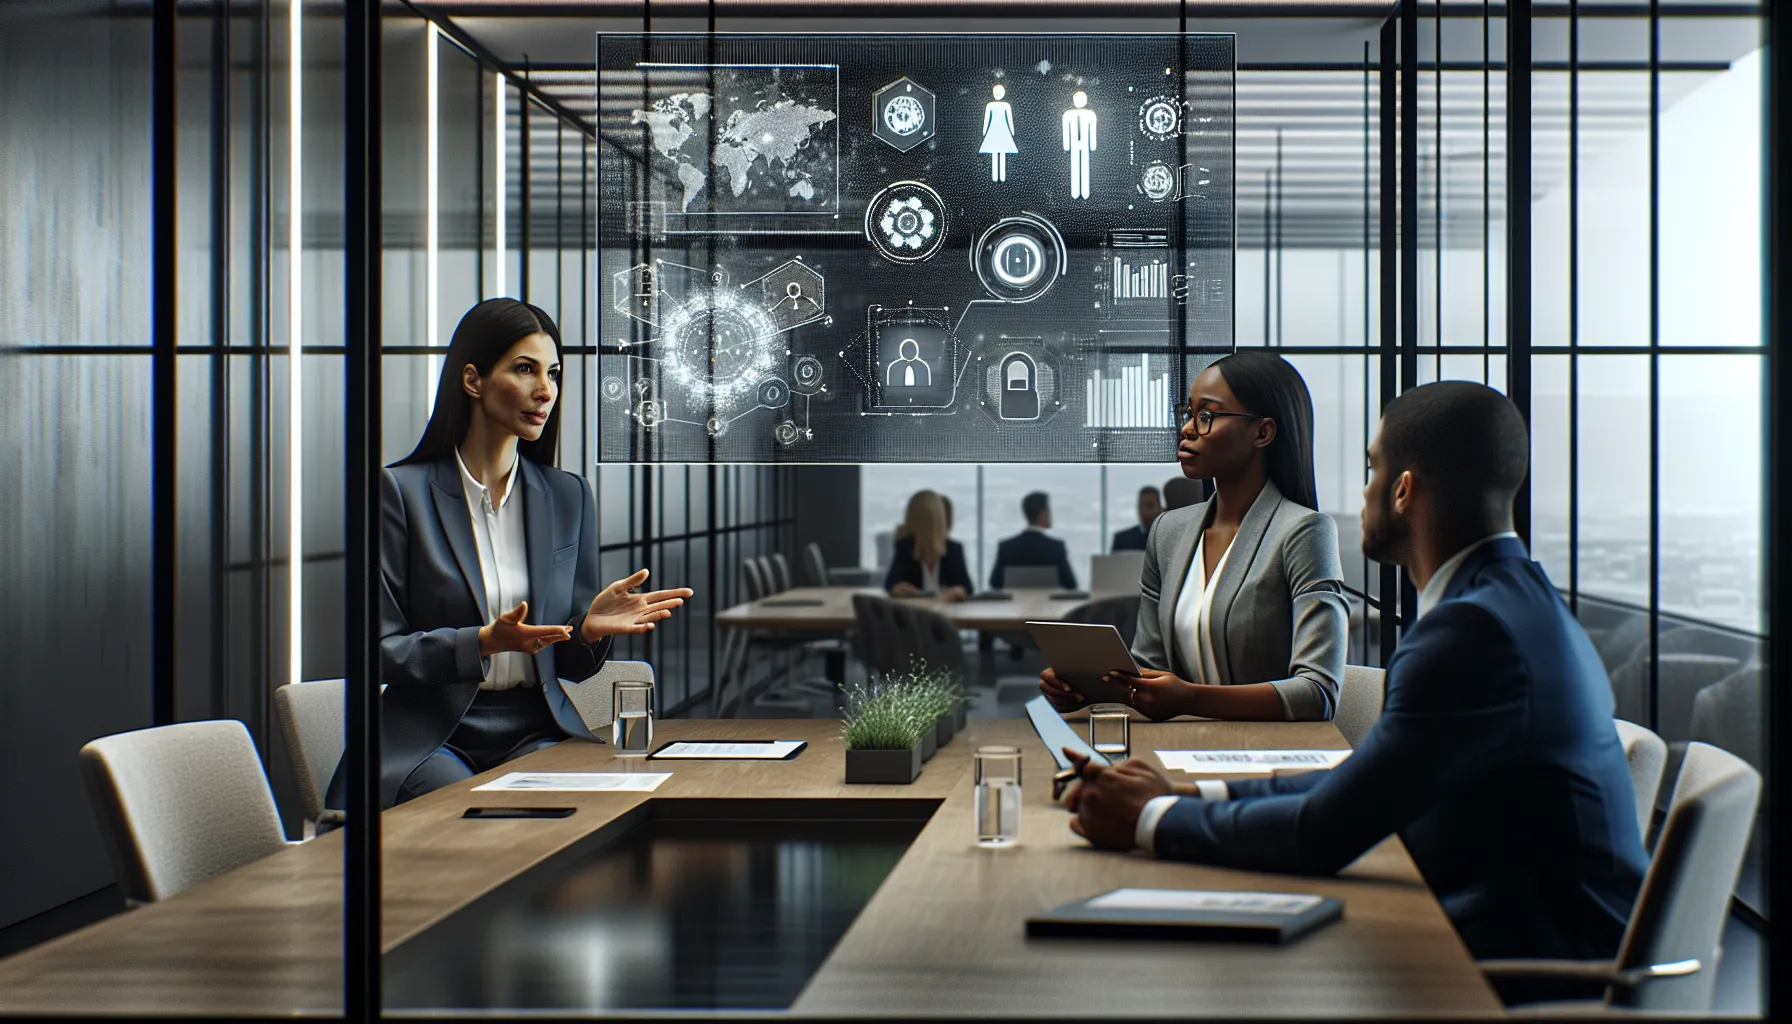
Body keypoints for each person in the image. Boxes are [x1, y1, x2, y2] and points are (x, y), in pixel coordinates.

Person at [1061, 381, 1648, 1006]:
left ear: (1404, 491)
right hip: (1527, 935)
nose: (1363, 492)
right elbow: (1365, 780)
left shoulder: (1470, 633)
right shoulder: (1517, 603)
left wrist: (1151, 820)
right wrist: (1188, 792)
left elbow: (1323, 832)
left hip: (1517, 974)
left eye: (1372, 469)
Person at [325, 299, 694, 809]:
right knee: (490, 817)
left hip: (535, 730)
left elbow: (571, 666)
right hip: (432, 738)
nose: (546, 391)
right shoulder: (398, 493)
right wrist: (481, 642)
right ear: (473, 380)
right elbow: (376, 650)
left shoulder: (568, 496)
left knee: (598, 814)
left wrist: (586, 630)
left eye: (554, 373)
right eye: (525, 370)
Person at [1042, 351, 1347, 721]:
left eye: (1207, 416)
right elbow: (1148, 667)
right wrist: (1087, 687)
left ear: (1262, 432)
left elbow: (1318, 693)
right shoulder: (1168, 532)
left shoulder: (1303, 531)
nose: (1187, 429)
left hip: (1270, 758)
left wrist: (1189, 699)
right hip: (1182, 746)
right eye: (1188, 413)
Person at [885, 489, 973, 601]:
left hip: (948, 613)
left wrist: (958, 591)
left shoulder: (953, 549)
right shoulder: (905, 547)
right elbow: (890, 584)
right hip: (913, 613)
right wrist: (897, 588)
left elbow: (968, 588)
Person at [990, 492, 1077, 590]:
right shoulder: (1056, 547)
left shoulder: (1006, 547)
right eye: (1049, 512)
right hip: (1050, 605)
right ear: (1043, 514)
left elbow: (995, 583)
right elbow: (1071, 584)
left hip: (1015, 604)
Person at [1111, 485, 1162, 552]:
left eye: (1150, 505)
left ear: (1160, 508)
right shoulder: (1122, 540)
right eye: (1142, 506)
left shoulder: (1171, 538)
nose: (1145, 511)